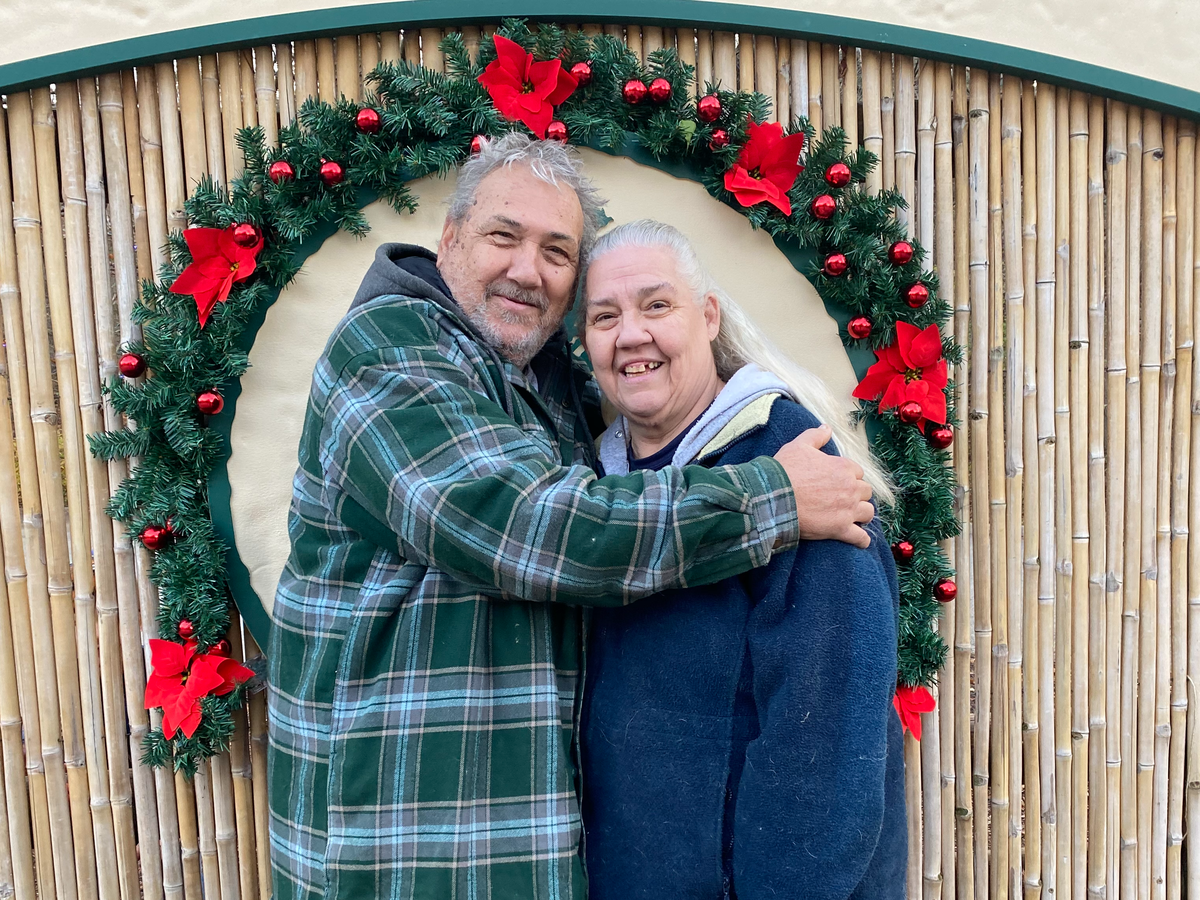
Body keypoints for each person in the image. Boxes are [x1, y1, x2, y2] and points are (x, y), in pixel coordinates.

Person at [267, 134, 876, 900]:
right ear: (450, 238)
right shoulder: (389, 352)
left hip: (527, 852)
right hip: (401, 844)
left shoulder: (561, 395)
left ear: (707, 317)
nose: (528, 270)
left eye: (557, 251)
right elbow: (520, 527)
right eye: (504, 236)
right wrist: (774, 498)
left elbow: (826, 740)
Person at [579, 220, 906, 900]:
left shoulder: (798, 473)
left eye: (656, 305)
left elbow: (826, 757)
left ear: (707, 317)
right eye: (604, 316)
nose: (630, 334)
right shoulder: (599, 491)